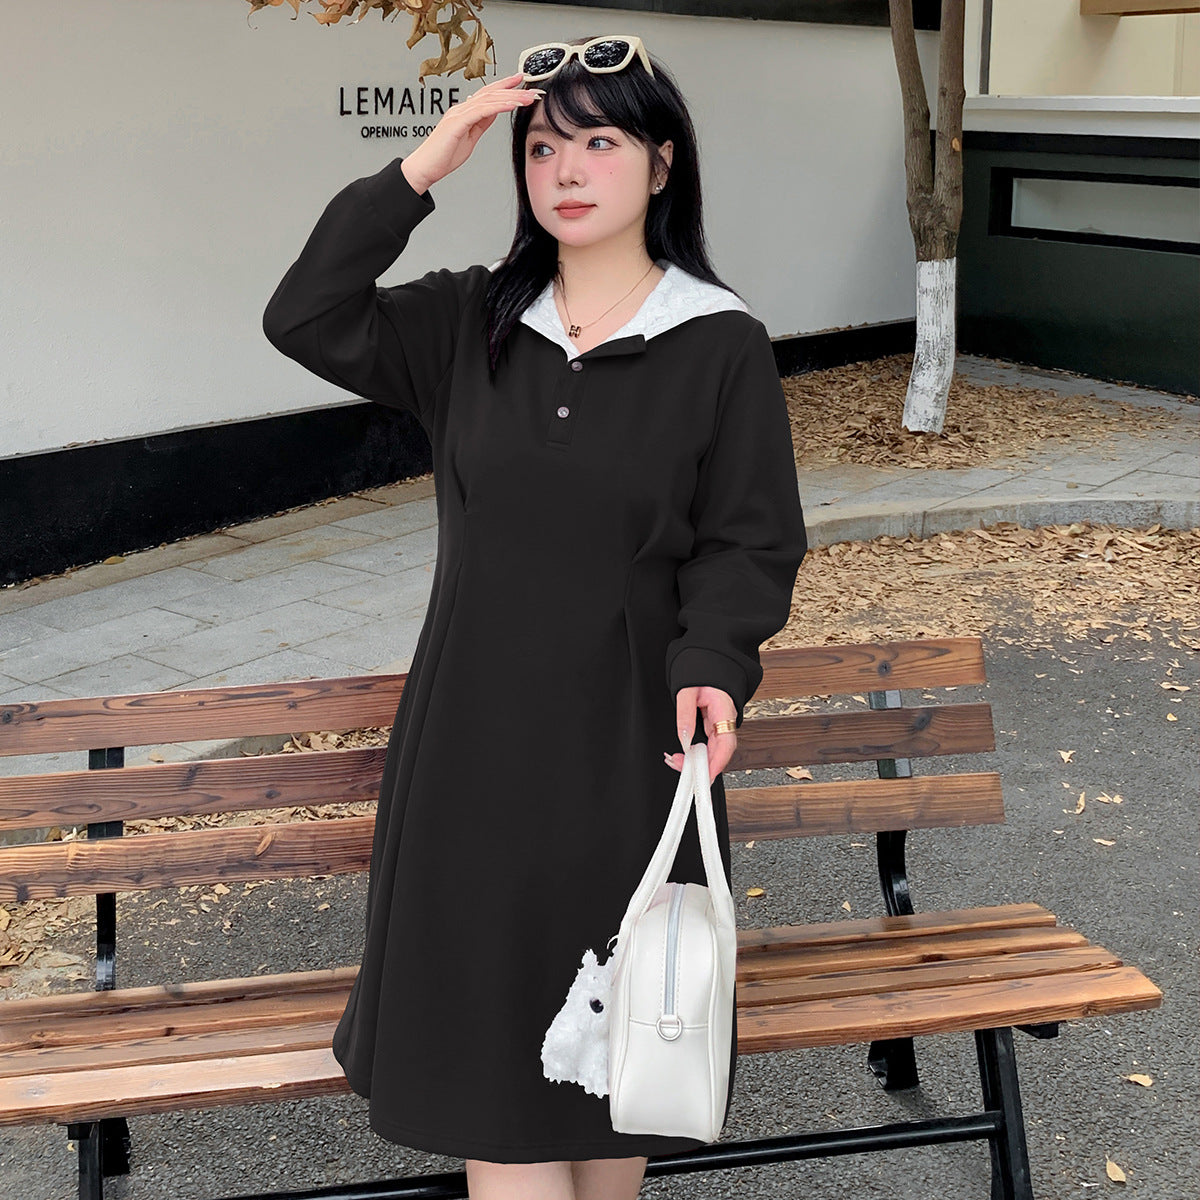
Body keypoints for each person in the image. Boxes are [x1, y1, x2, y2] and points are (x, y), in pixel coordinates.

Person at [261, 32, 808, 1200]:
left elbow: (749, 538)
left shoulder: (718, 343)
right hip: (472, 751)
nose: (566, 170)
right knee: (496, 1079)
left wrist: (715, 662)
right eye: (542, 147)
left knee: (615, 1069)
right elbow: (304, 315)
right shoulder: (472, 323)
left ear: (662, 162)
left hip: (630, 746)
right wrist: (424, 165)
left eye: (599, 142)